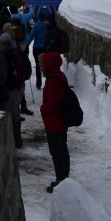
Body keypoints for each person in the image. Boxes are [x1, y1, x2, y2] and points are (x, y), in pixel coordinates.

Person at [40, 51, 70, 192]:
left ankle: (60, 179)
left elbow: (51, 105)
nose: (42, 67)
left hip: (54, 122)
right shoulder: (60, 75)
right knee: (63, 148)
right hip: (62, 121)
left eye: (43, 64)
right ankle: (65, 176)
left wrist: (42, 108)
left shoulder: (52, 80)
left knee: (56, 152)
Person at [0, 33, 23, 147]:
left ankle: (16, 140)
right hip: (17, 85)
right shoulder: (16, 51)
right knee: (15, 110)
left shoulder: (6, 54)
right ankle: (17, 139)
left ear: (1, 42)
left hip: (11, 86)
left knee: (12, 111)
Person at [26, 12, 49, 88]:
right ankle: (48, 83)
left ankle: (38, 84)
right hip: (45, 48)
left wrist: (27, 44)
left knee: (38, 65)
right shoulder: (47, 26)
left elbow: (31, 36)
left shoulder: (36, 25)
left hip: (37, 48)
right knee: (46, 65)